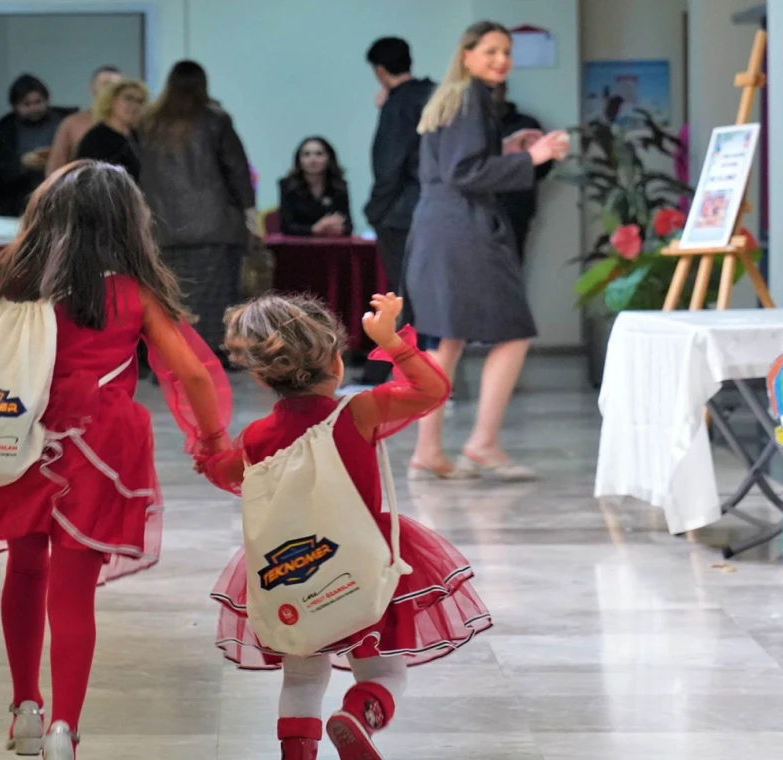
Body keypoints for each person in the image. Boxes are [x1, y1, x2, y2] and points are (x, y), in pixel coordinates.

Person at [0, 161, 231, 760]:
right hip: (103, 442)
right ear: (127, 222)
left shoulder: (14, 282)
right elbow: (191, 371)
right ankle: (66, 726)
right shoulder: (132, 292)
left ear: (43, 217)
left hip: (22, 434)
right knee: (73, 589)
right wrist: (212, 440)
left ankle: (25, 710)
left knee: (25, 567)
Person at [201, 293, 491, 760]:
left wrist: (209, 450)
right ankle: (358, 713)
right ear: (336, 360)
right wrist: (393, 343)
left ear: (261, 375)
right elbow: (431, 390)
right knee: (384, 674)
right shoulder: (356, 413)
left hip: (293, 568)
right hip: (360, 564)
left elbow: (225, 473)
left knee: (301, 679)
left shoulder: (256, 438)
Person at [405, 21, 569, 481]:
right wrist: (530, 159)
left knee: (448, 338)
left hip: (440, 226)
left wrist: (507, 148)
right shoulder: (472, 96)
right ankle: (482, 443)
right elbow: (465, 173)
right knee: (512, 331)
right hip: (465, 229)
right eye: (492, 51)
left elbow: (459, 162)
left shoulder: (452, 97)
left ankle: (429, 451)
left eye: (507, 52)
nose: (502, 60)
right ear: (467, 55)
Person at [138, 60, 257, 364]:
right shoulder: (215, 120)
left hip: (162, 228)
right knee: (215, 300)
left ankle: (170, 356)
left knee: (171, 297)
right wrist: (248, 208)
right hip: (214, 227)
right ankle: (213, 357)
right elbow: (237, 169)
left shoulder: (148, 124)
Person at [362, 36, 435, 384]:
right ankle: (435, 371)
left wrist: (374, 211)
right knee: (431, 294)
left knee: (400, 296)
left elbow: (389, 165)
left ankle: (392, 373)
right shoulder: (436, 96)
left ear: (379, 71)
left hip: (402, 214)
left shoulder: (397, 105)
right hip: (438, 208)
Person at [0, 74, 74, 217]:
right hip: (19, 206)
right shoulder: (4, 131)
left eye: (38, 102)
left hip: (63, 201)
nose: (34, 108)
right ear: (15, 106)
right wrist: (22, 165)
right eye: (27, 104)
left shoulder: (68, 122)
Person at [492, 81, 554, 266]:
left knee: (511, 274)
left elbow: (543, 168)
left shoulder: (526, 125)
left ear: (504, 89)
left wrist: (520, 162)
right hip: (475, 214)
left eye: (493, 89)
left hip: (514, 212)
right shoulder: (471, 127)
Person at [46, 65, 124, 174]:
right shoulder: (72, 123)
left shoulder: (132, 125)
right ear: (92, 89)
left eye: (117, 87)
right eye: (106, 85)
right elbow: (55, 170)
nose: (111, 91)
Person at [75, 79, 148, 182]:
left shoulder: (140, 136)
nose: (134, 106)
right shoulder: (96, 138)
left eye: (140, 101)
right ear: (112, 101)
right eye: (129, 98)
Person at [278, 136, 352, 236]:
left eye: (319, 154)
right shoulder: (287, 186)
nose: (313, 160)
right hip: (298, 245)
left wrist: (337, 227)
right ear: (299, 160)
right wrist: (314, 229)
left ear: (329, 158)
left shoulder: (339, 186)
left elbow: (348, 226)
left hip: (331, 244)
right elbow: (286, 227)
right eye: (306, 154)